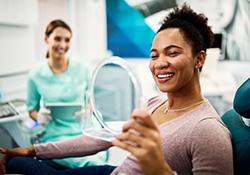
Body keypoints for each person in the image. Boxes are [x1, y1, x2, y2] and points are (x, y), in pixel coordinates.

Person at [0, 4, 233, 175]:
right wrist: (34, 150)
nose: (159, 63)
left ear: (199, 58)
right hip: (112, 170)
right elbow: (99, 140)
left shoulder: (207, 131)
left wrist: (159, 170)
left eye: (172, 53)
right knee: (18, 161)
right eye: (154, 55)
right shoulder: (154, 104)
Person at [25, 19, 107, 169]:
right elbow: (32, 110)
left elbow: (93, 101)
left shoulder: (83, 69)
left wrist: (87, 111)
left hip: (85, 129)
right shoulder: (35, 75)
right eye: (57, 38)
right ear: (46, 38)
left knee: (94, 161)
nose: (62, 45)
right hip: (55, 133)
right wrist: (39, 116)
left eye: (67, 40)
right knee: (74, 161)